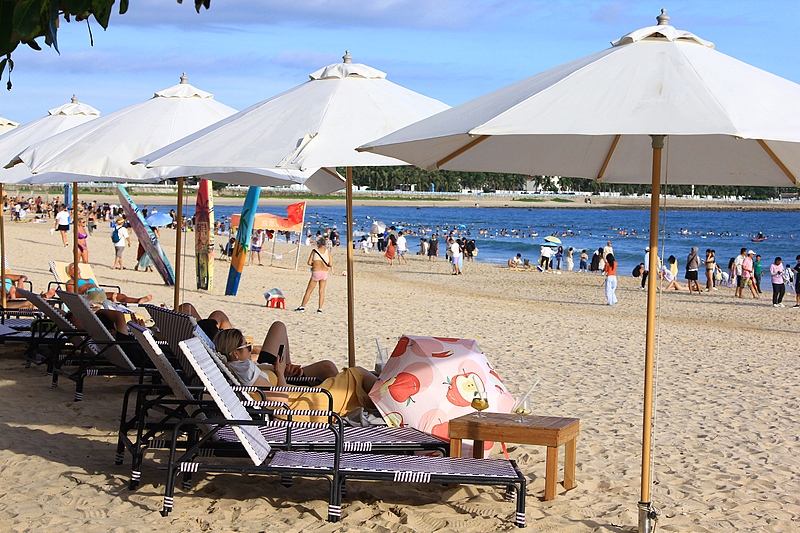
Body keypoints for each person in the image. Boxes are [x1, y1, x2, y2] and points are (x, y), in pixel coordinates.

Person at [215, 327, 376, 421]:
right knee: (357, 374)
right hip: (307, 406)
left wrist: (276, 368)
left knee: (359, 375)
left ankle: (388, 400)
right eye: (247, 346)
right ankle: (392, 401)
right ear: (235, 353)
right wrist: (280, 373)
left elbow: (264, 375)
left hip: (305, 399)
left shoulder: (239, 368)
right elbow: (280, 402)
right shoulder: (246, 372)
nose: (250, 349)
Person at [65, 263, 152, 304]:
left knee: (120, 295)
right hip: (89, 295)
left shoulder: (89, 279)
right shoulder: (71, 282)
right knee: (106, 297)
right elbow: (72, 296)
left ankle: (138, 300)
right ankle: (113, 302)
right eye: (73, 267)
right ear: (69, 273)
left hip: (99, 292)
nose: (76, 268)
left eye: (77, 266)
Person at [296, 236, 333, 313]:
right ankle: (320, 308)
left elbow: (309, 263)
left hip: (316, 272)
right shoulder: (328, 252)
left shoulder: (314, 251)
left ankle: (302, 306)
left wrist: (315, 263)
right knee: (322, 291)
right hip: (324, 272)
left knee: (309, 291)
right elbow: (330, 264)